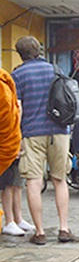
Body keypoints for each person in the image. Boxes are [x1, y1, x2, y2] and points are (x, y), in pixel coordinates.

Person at [12, 36, 72, 245]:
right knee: (60, 180)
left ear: (20, 54)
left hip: (32, 133)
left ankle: (39, 232)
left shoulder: (18, 75)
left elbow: (18, 108)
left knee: (33, 181)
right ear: (39, 50)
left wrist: (16, 136)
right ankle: (64, 228)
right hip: (59, 130)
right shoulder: (55, 70)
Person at [0, 68, 34, 236]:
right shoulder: (7, 84)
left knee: (16, 183)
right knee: (8, 184)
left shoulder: (8, 84)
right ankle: (9, 220)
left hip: (13, 139)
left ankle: (17, 218)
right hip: (9, 141)